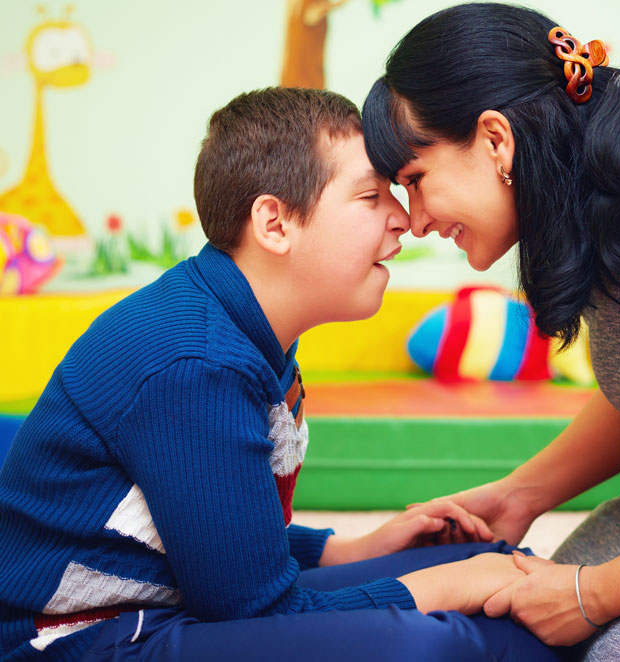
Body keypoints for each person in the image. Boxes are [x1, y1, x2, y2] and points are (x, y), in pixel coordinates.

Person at [0, 87, 559, 662]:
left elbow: (217, 531)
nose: (404, 220)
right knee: (431, 637)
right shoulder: (195, 364)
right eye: (371, 196)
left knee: (480, 565)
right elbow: (259, 614)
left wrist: (357, 549)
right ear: (274, 222)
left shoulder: (244, 331)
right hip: (75, 638)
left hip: (164, 605)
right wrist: (444, 590)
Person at [362, 2, 620, 661]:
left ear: (494, 139)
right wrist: (519, 495)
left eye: (417, 181)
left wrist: (590, 593)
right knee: (508, 631)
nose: (416, 221)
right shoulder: (596, 196)